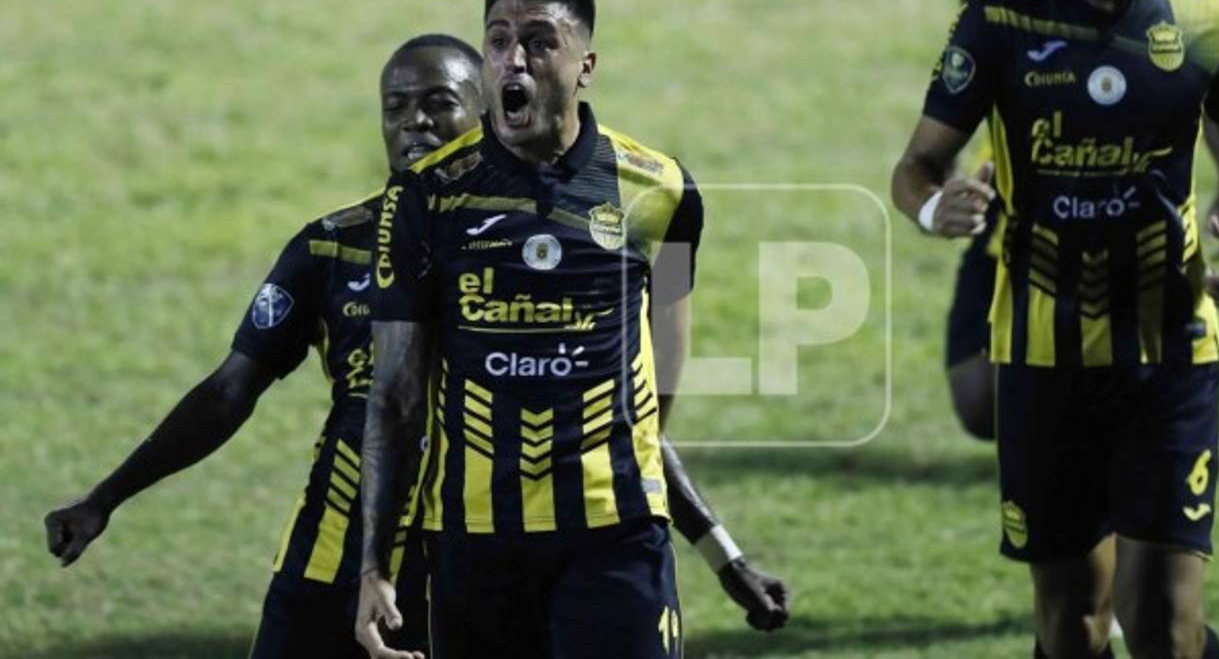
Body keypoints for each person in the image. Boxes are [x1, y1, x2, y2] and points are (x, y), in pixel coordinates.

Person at [45, 33, 787, 659]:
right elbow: (227, 391)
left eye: (438, 103)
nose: (415, 123)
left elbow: (622, 429)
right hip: (328, 564)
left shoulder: (539, 254)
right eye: (396, 107)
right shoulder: (328, 248)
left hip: (459, 569)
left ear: (488, 112)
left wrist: (724, 557)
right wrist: (105, 499)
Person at [893, 0, 1219, 656]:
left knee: (1164, 626)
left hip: (1169, 353)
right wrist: (935, 207)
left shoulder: (1201, 16)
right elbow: (917, 166)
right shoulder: (997, 18)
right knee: (1072, 623)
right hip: (1042, 358)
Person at [357, 0, 714, 659]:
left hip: (615, 532)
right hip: (473, 540)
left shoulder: (662, 192)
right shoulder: (425, 197)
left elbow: (669, 348)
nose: (513, 59)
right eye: (498, 41)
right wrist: (375, 565)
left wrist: (631, 456)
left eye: (539, 42)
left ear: (586, 66)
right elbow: (396, 392)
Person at [946, 0, 1200, 441]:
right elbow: (974, 58)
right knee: (978, 399)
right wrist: (947, 165)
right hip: (1013, 181)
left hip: (1115, 191)